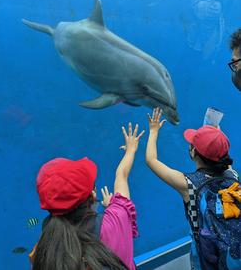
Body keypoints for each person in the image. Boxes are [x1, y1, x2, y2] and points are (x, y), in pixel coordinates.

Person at [29, 123, 144, 270]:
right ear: (92, 195)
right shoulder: (115, 221)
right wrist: (131, 150)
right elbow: (121, 175)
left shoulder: (46, 247)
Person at [145, 107, 240, 270]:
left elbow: (151, 160)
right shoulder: (232, 176)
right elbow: (222, 154)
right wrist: (216, 135)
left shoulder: (189, 184)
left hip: (206, 256)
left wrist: (153, 131)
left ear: (193, 152)